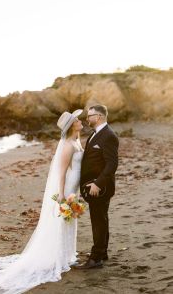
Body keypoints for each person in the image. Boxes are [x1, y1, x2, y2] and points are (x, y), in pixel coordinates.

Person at [0, 109, 84, 294]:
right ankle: (59, 258)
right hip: (67, 188)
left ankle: (67, 255)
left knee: (70, 220)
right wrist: (61, 195)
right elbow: (61, 172)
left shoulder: (75, 141)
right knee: (63, 220)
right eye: (77, 120)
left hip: (74, 188)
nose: (80, 121)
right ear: (72, 126)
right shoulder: (68, 146)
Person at [76, 104, 119, 269]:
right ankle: (102, 252)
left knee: (98, 221)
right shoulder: (95, 134)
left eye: (90, 116)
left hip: (100, 188)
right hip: (93, 186)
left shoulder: (109, 135)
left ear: (99, 117)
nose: (87, 119)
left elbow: (112, 164)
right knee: (101, 219)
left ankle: (95, 259)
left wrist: (98, 184)